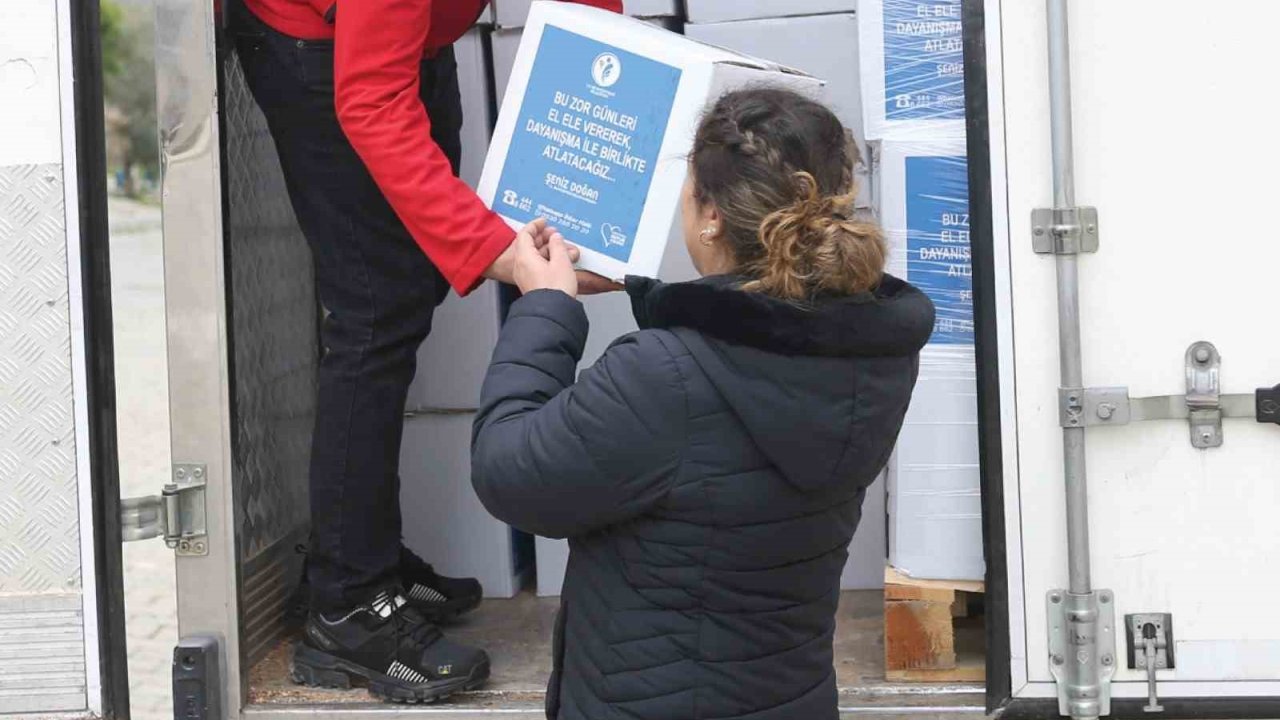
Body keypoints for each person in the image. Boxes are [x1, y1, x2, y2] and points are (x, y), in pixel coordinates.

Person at [471, 87, 936, 720]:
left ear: (710, 215)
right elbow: (756, 326)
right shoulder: (869, 353)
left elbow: (509, 474)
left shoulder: (663, 376)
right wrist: (650, 294)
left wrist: (544, 308)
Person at [227, 0, 622, 703]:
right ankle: (347, 606)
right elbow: (372, 103)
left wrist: (603, 206)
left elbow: (591, 18)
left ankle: (358, 546)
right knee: (373, 311)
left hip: (407, 36)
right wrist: (498, 252)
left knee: (407, 289)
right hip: (320, 45)